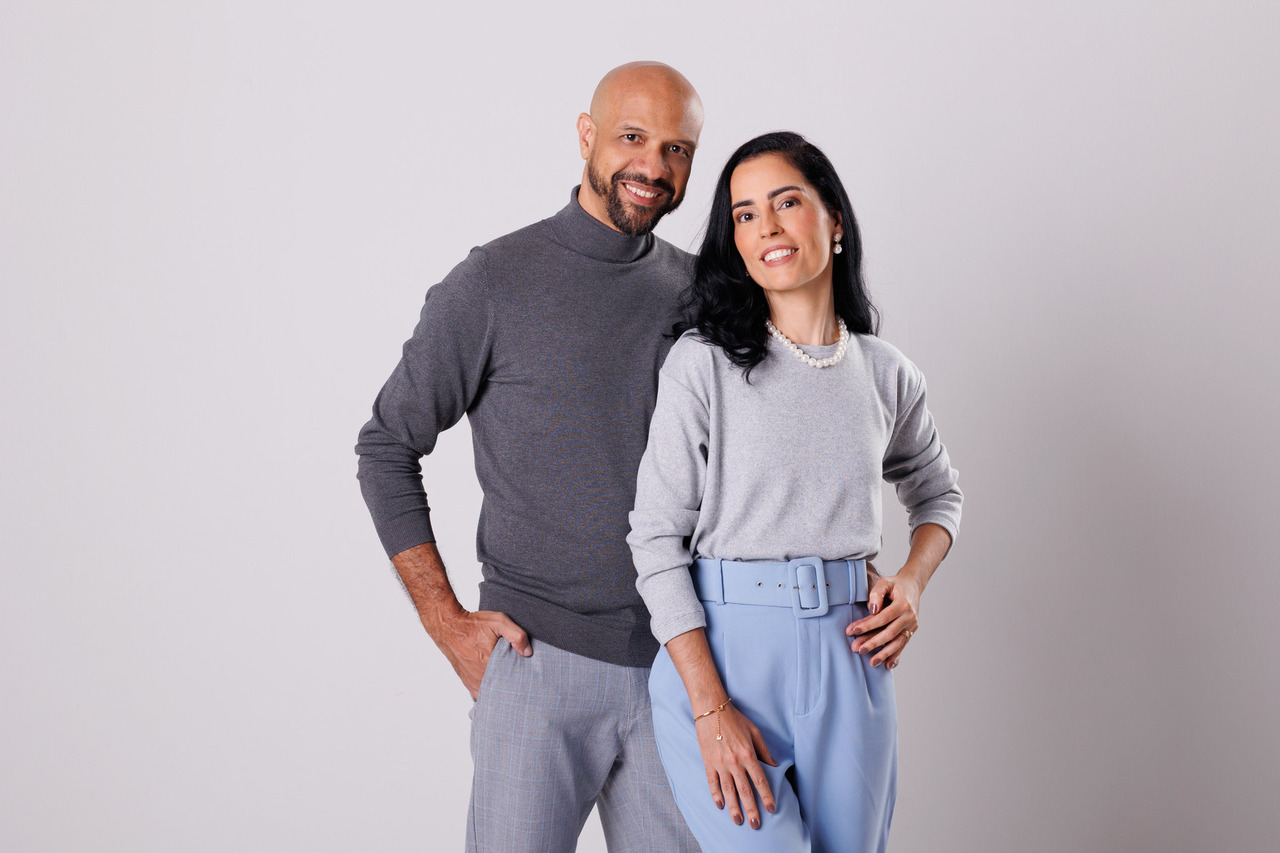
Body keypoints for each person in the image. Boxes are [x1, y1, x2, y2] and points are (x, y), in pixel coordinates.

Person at [355, 62, 704, 853]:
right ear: (586, 135)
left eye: (677, 149)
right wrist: (447, 624)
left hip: (678, 671)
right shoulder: (493, 281)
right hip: (537, 665)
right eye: (632, 137)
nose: (653, 166)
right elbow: (385, 447)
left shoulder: (698, 292)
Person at [627, 131, 963, 852]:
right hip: (724, 656)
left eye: (787, 202)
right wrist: (710, 706)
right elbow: (654, 537)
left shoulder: (884, 372)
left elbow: (939, 495)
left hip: (852, 661)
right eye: (745, 214)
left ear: (833, 219)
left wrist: (910, 582)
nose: (768, 226)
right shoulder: (703, 365)